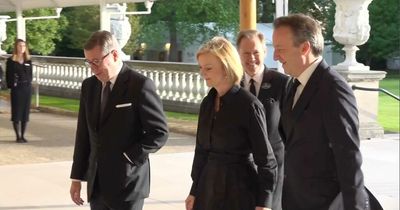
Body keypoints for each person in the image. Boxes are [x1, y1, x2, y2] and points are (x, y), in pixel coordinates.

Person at [273, 14, 375, 210]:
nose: (276, 56)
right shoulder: (292, 85)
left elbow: (349, 157)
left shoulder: (334, 89)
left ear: (304, 48)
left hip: (324, 203)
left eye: (280, 49)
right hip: (294, 200)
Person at [69, 30, 169, 210]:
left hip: (128, 185)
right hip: (97, 185)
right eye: (89, 62)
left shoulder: (140, 85)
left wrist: (128, 157)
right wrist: (76, 177)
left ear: (114, 54)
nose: (93, 68)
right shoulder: (89, 86)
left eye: (97, 61)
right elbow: (83, 134)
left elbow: (159, 133)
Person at [185, 36, 277, 210]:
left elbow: (266, 160)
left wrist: (264, 202)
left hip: (239, 191)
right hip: (207, 189)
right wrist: (194, 190)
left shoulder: (249, 105)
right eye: (201, 68)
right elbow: (201, 151)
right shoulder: (207, 103)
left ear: (226, 67)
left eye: (209, 68)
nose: (203, 73)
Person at [237, 29, 289, 210]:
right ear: (238, 54)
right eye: (246, 53)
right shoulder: (232, 85)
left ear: (265, 52)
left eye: (256, 52)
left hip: (274, 167)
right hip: (242, 170)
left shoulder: (282, 83)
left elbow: (291, 129)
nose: (251, 58)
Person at [5, 39, 32, 143]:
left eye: (24, 46)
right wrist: (11, 86)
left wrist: (28, 83)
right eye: (20, 46)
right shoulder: (11, 61)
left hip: (26, 88)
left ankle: (23, 135)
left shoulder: (28, 61)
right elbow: (8, 76)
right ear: (16, 47)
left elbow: (30, 75)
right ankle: (17, 136)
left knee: (25, 112)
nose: (22, 48)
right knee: (17, 112)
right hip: (17, 89)